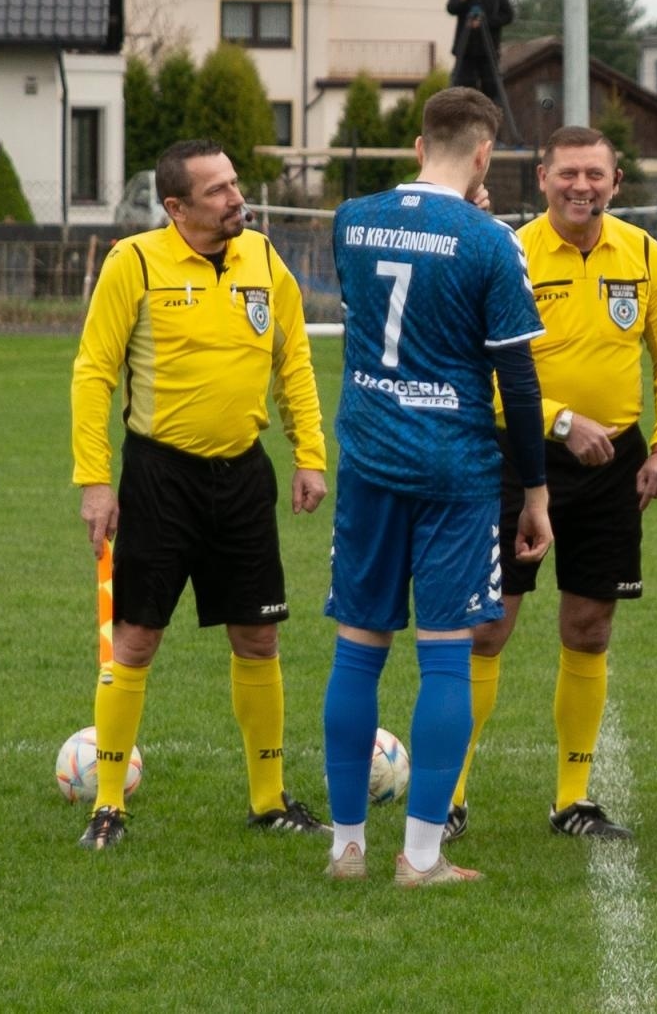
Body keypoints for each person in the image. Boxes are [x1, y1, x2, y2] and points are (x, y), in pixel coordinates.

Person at [321, 87, 553, 887]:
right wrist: (536, 492)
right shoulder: (492, 240)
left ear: (419, 145)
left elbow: (370, 311)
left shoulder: (351, 218)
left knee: (358, 649)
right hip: (454, 469)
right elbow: (518, 386)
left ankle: (346, 847)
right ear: (484, 155)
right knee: (446, 656)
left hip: (371, 460)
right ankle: (420, 857)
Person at [71, 139, 329, 850]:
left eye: (234, 184)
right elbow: (93, 374)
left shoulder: (265, 261)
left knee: (259, 634)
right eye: (215, 191)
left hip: (244, 477)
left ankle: (269, 799)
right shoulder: (136, 263)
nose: (233, 198)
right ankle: (109, 803)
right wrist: (95, 480)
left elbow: (294, 363)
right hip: (161, 478)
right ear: (175, 206)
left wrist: (310, 455)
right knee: (137, 637)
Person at [446, 126, 657, 843]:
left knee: (590, 626)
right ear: (543, 178)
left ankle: (574, 798)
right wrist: (558, 423)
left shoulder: (645, 256)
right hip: (516, 458)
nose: (581, 186)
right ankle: (451, 795)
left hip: (615, 465)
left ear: (617, 182)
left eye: (595, 174)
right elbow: (480, 373)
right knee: (489, 626)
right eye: (568, 174)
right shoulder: (509, 252)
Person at [447, 0, 514, 106]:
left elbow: (508, 16)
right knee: (461, 89)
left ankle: (492, 121)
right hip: (466, 48)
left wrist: (487, 22)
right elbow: (451, 8)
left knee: (492, 89)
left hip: (488, 48)